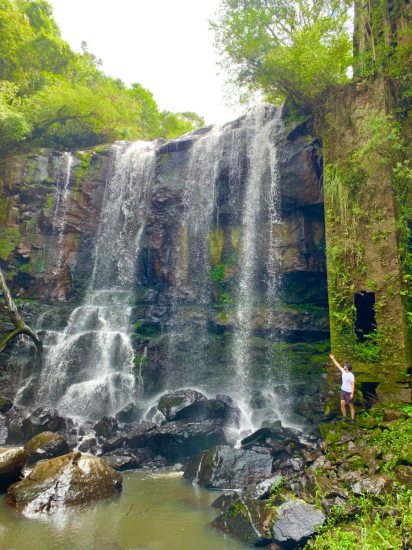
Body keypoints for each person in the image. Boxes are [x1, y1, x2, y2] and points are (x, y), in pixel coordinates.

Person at [329, 353, 355, 422]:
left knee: (351, 405)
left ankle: (352, 419)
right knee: (342, 403)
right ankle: (344, 416)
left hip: (349, 392)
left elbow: (353, 385)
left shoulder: (351, 375)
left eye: (345, 366)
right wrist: (333, 358)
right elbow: (337, 365)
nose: (344, 366)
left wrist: (352, 393)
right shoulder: (343, 372)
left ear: (347, 368)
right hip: (343, 391)